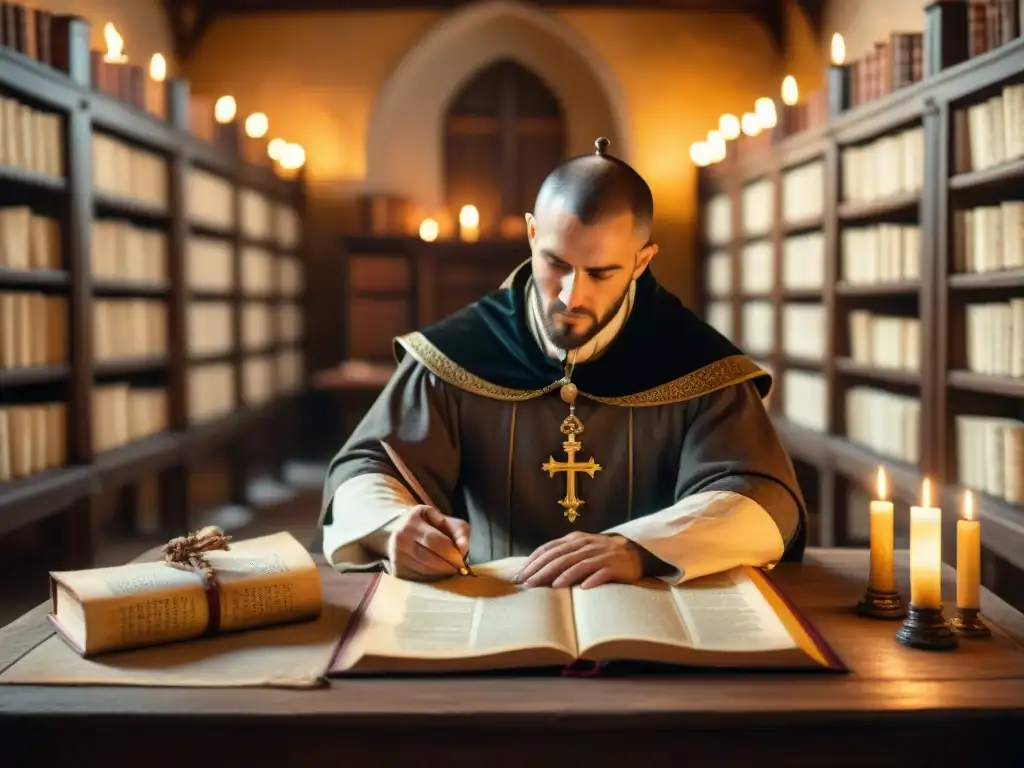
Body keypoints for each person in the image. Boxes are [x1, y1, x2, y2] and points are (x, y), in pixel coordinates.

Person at [319, 137, 806, 589]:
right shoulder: (456, 355)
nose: (573, 295)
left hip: (647, 619)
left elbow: (762, 496)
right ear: (532, 234)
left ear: (641, 261)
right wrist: (391, 527)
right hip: (491, 613)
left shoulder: (701, 366)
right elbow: (368, 464)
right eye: (556, 263)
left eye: (600, 272)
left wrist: (642, 547)